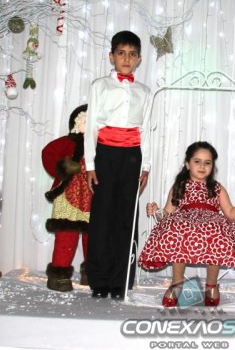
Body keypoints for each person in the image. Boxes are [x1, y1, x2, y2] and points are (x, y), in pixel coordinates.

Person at [138, 141, 235, 307]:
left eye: (207, 163)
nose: (202, 166)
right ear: (188, 164)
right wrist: (156, 211)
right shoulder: (180, 186)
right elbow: (166, 215)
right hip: (183, 222)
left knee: (216, 232)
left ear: (212, 166)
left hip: (211, 222)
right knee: (177, 229)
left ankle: (211, 285)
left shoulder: (216, 188)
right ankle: (177, 283)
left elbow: (230, 214)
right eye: (197, 161)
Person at [84, 30, 151, 299]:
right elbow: (91, 126)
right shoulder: (100, 86)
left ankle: (121, 280)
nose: (126, 59)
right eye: (121, 53)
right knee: (102, 217)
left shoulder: (144, 92)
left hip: (132, 157)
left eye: (132, 54)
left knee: (126, 218)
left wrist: (146, 166)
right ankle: (99, 280)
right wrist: (90, 164)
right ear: (111, 56)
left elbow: (147, 130)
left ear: (139, 59)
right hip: (105, 155)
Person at [42, 104, 91, 292]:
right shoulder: (66, 142)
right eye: (86, 121)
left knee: (93, 237)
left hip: (93, 196)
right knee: (66, 235)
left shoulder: (101, 146)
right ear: (76, 123)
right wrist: (63, 167)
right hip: (68, 194)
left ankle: (92, 272)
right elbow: (48, 153)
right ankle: (59, 274)